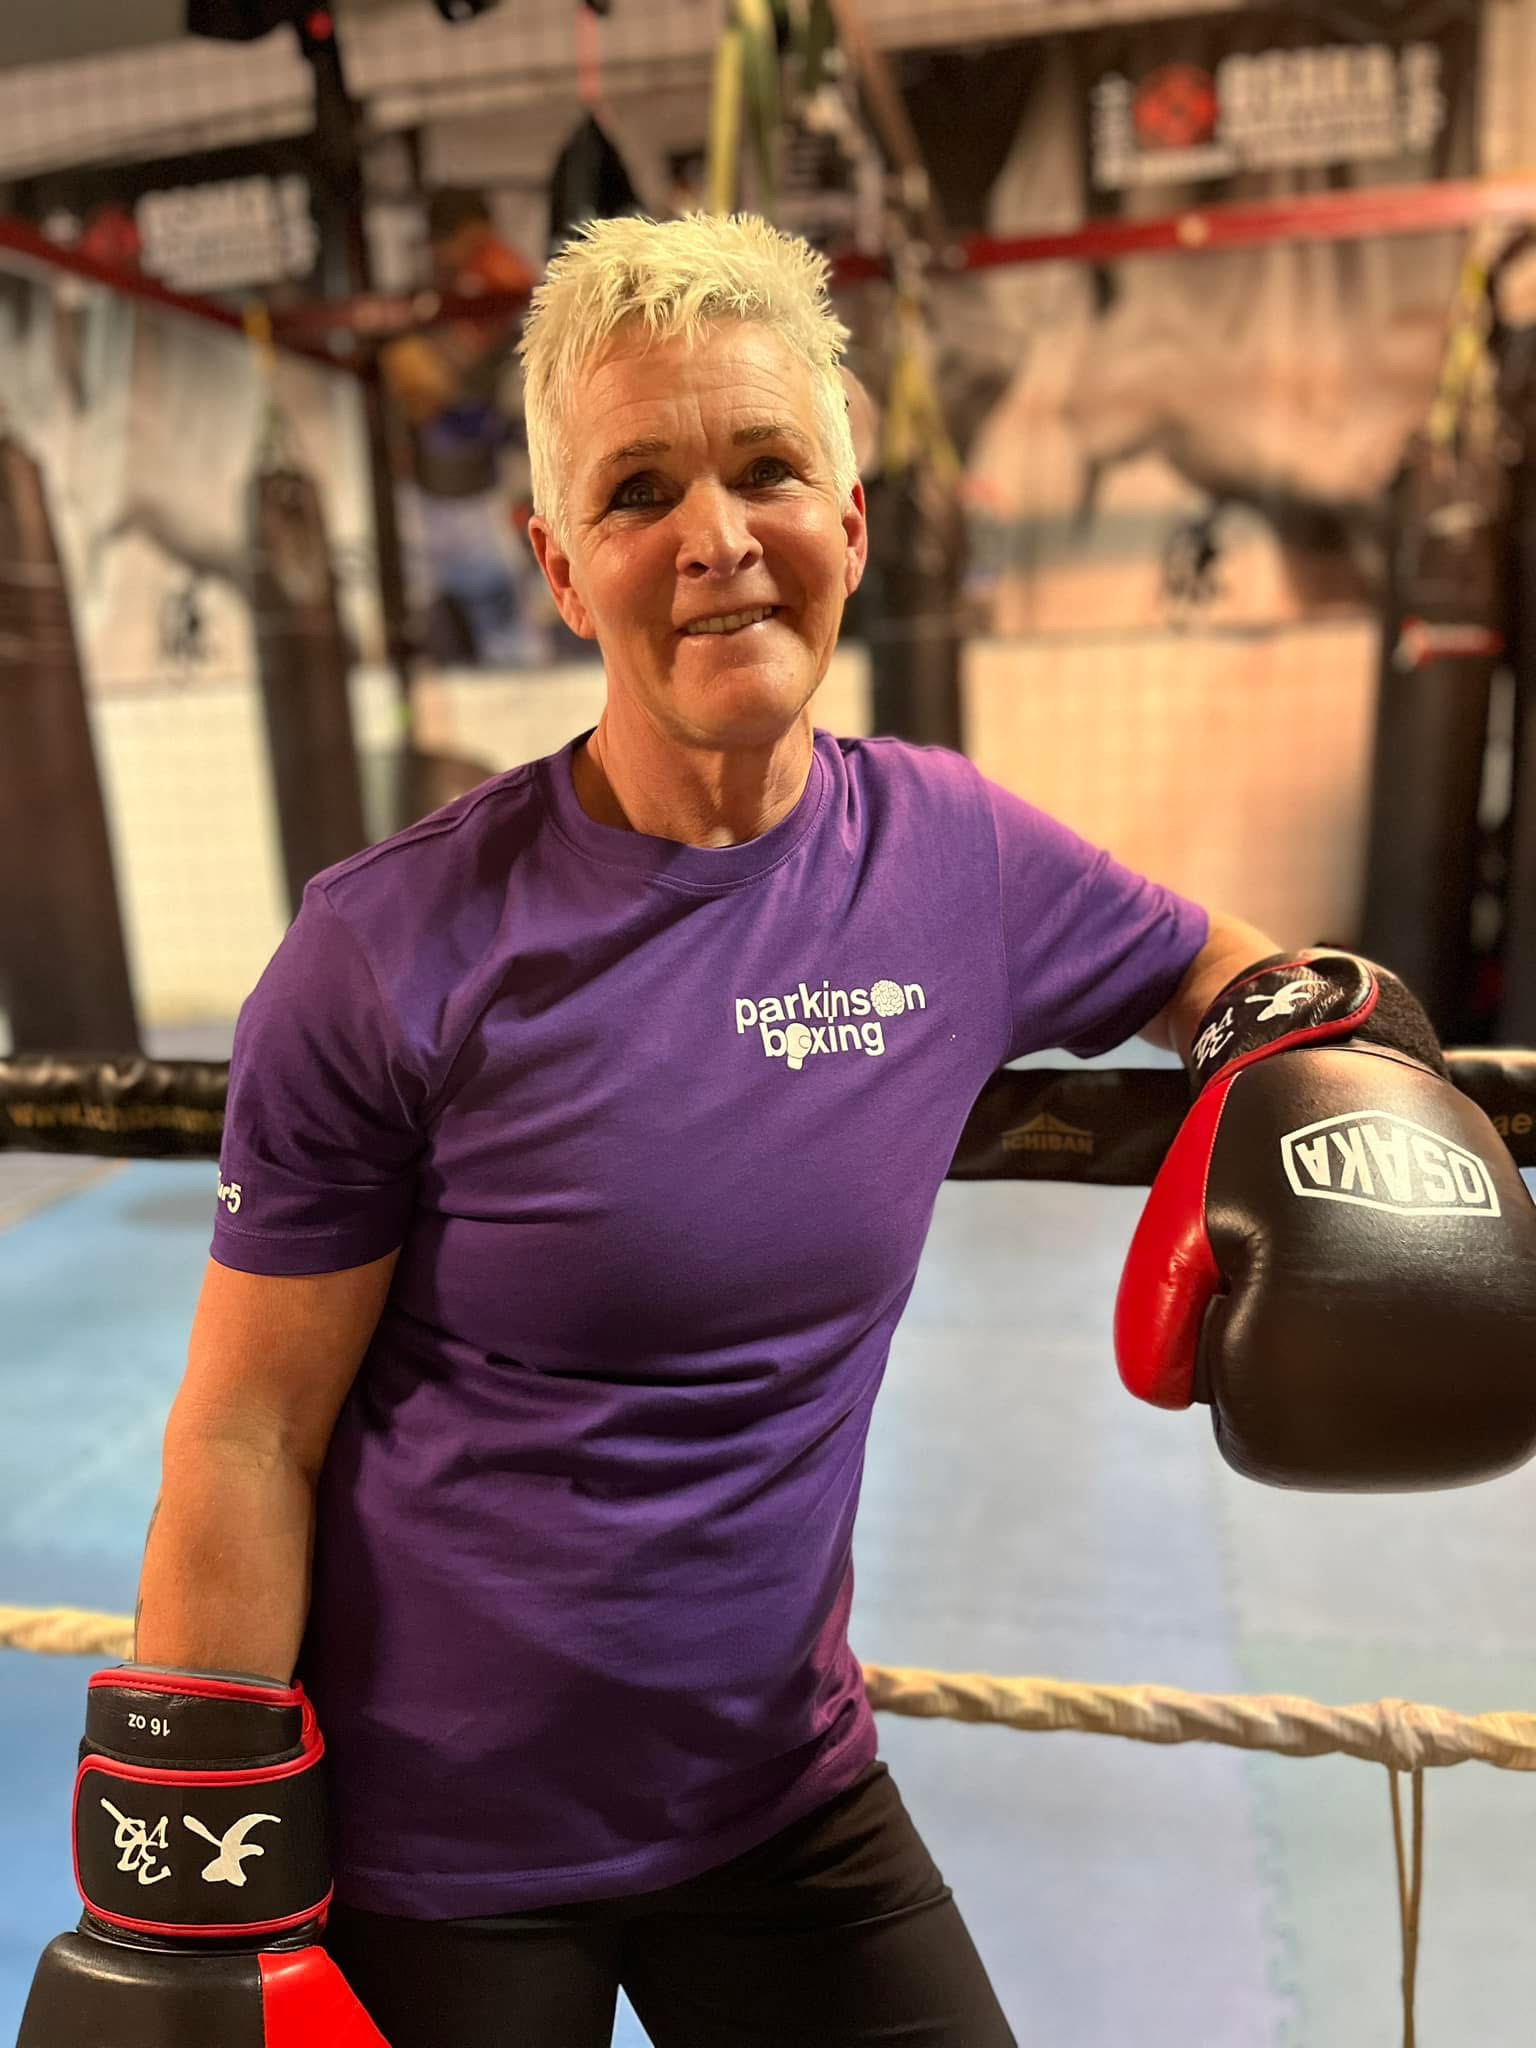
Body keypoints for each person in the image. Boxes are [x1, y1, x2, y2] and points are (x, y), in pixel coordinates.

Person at [24, 211, 1536, 2048]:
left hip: (778, 1799)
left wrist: (1334, 1077)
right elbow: (248, 1428)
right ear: (561, 569)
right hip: (437, 1849)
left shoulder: (954, 860)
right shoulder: (388, 948)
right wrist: (190, 1880)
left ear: (854, 523)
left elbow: (1242, 976)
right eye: (639, 490)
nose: (717, 537)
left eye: (767, 470)